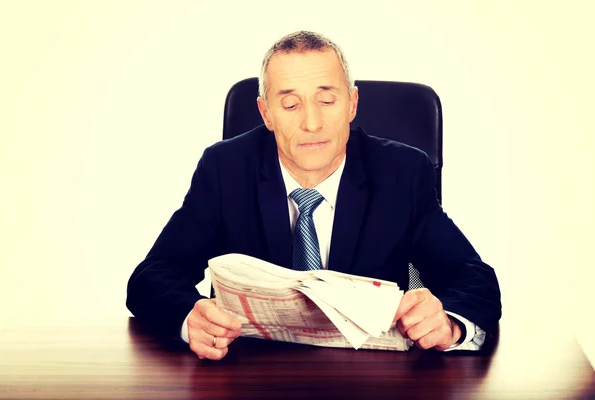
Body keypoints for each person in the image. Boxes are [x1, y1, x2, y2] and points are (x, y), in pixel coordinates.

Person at [126, 31, 502, 361]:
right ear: (266, 113)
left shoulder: (401, 173)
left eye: (327, 100)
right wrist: (189, 315)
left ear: (352, 104)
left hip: (368, 380)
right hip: (250, 376)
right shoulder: (225, 169)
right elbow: (152, 275)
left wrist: (449, 323)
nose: (311, 123)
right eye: (290, 104)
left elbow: (473, 277)